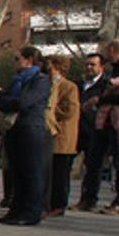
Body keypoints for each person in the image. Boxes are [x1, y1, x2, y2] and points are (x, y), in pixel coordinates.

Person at [0, 45, 51, 226]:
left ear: (29, 60)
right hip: (14, 129)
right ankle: (15, 209)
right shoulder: (16, 80)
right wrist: (4, 97)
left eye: (17, 58)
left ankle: (32, 211)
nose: (15, 63)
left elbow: (25, 102)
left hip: (31, 129)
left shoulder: (41, 80)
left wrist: (3, 96)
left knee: (31, 172)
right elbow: (2, 103)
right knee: (16, 171)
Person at [76, 41, 119, 213]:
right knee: (93, 161)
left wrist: (101, 100)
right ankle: (88, 199)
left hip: (117, 122)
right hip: (103, 122)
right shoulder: (113, 70)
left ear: (112, 51)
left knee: (118, 162)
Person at [44, 55, 79, 218]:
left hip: (62, 136)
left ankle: (59, 204)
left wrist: (50, 113)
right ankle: (47, 202)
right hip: (47, 135)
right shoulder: (47, 84)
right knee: (49, 172)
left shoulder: (69, 86)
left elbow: (70, 109)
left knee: (60, 173)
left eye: (49, 65)